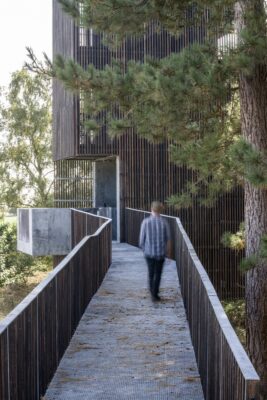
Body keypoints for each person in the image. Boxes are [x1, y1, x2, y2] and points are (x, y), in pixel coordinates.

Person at [139, 201, 172, 301]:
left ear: (151, 209)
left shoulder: (145, 222)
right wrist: (169, 253)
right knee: (158, 274)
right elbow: (169, 239)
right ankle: (155, 294)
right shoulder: (164, 222)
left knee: (150, 273)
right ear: (160, 210)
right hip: (160, 253)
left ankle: (152, 293)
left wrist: (144, 249)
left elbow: (141, 240)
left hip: (149, 253)